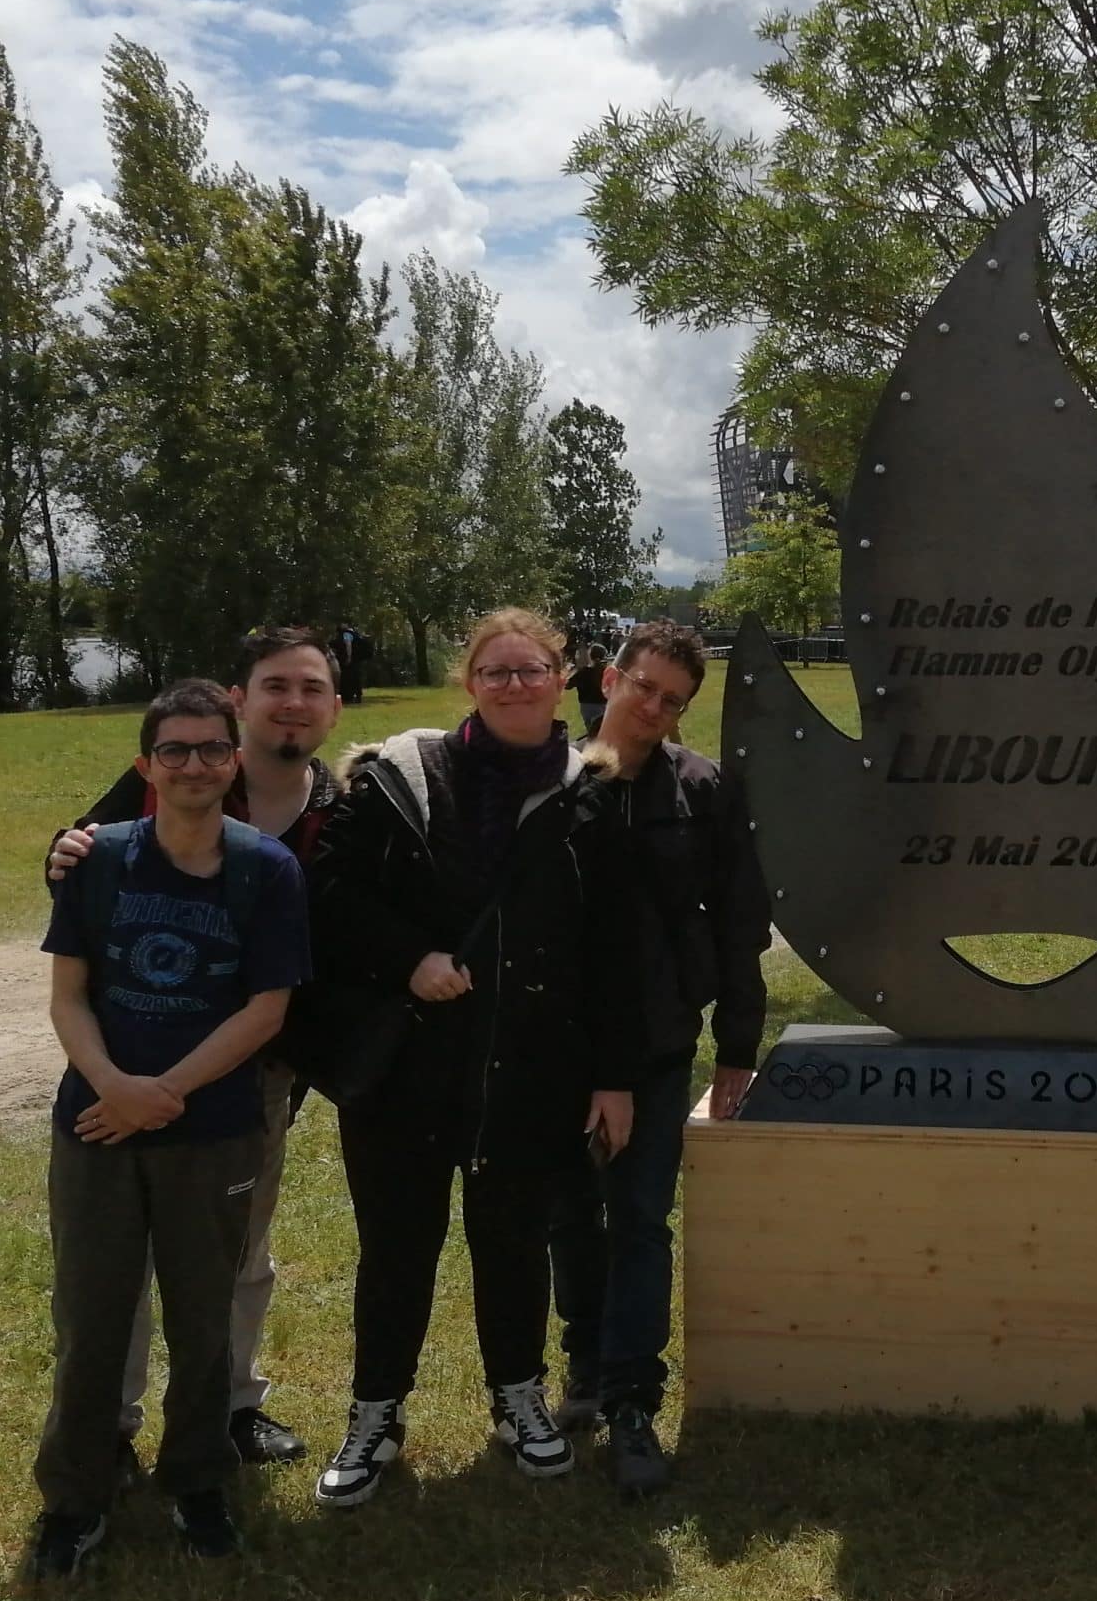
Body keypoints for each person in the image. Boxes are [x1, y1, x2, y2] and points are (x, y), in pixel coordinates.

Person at [307, 607, 643, 1505]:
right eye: (495, 671)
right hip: (407, 1067)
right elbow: (328, 893)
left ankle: (518, 1399)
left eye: (530, 669)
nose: (514, 685)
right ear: (468, 681)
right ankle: (375, 1412)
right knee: (396, 1246)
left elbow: (613, 950)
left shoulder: (591, 795)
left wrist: (611, 1074)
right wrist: (405, 959)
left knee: (512, 1242)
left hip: (531, 1066)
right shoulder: (394, 778)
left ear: (562, 676)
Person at [27, 680, 311, 1580]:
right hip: (99, 1128)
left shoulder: (265, 867)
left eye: (211, 751)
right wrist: (117, 1086)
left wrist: (169, 1091)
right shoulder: (101, 860)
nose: (194, 765)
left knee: (203, 1318)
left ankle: (197, 1484)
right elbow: (68, 997)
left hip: (214, 1129)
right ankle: (75, 1500)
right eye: (175, 751)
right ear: (147, 767)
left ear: (235, 764)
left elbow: (268, 1009)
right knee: (92, 1314)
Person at [550, 620, 772, 1494]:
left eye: (673, 701)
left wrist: (738, 1047)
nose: (652, 710)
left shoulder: (704, 790)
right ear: (611, 678)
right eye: (643, 688)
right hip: (560, 1046)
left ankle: (633, 1400)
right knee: (571, 1216)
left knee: (640, 1219)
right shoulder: (554, 780)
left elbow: (740, 922)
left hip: (658, 1039)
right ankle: (584, 1366)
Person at [569, 642, 610, 739]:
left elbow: (568, 685)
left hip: (586, 706)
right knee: (600, 734)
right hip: (603, 705)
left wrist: (574, 670)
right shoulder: (606, 671)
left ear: (590, 655)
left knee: (591, 733)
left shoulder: (583, 671)